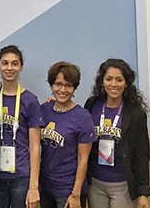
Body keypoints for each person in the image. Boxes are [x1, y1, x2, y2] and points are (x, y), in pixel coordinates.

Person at [84, 59, 150, 208]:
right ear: (102, 82)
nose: (113, 84)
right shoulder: (92, 105)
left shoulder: (135, 113)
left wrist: (143, 193)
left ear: (126, 83)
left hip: (123, 185)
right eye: (109, 79)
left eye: (119, 79)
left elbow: (142, 154)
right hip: (95, 183)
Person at [0, 45, 44, 208]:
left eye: (14, 63)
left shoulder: (30, 100)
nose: (9, 68)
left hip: (21, 177)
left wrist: (33, 186)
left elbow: (35, 145)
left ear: (21, 67)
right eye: (5, 63)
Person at [38, 62, 94, 208]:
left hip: (68, 189)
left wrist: (75, 194)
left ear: (74, 88)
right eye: (58, 84)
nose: (63, 90)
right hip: (45, 187)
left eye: (68, 85)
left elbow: (83, 159)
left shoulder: (83, 116)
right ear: (51, 86)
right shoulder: (43, 110)